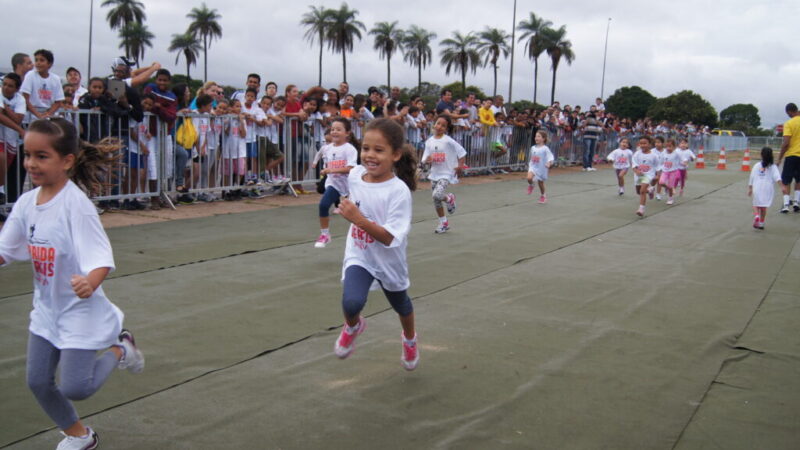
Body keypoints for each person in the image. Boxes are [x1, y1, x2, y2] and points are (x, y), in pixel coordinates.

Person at [0, 118, 144, 450]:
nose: (31, 164)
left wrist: (89, 283)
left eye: (41, 156)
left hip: (80, 311)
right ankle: (81, 436)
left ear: (67, 160)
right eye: (27, 155)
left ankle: (121, 347)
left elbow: (101, 258)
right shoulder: (26, 203)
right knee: (37, 382)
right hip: (47, 310)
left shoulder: (75, 206)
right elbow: (6, 251)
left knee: (76, 387)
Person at [333, 117, 419, 370]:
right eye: (366, 148)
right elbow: (358, 198)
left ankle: (410, 340)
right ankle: (353, 325)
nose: (370, 155)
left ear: (395, 155)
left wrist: (357, 218)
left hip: (388, 259)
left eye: (379, 150)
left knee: (401, 304)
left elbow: (389, 237)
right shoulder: (357, 175)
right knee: (351, 302)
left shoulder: (398, 192)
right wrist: (348, 206)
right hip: (360, 253)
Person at [312, 118, 359, 248]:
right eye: (333, 129)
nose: (334, 132)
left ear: (347, 133)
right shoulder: (327, 148)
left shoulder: (349, 149)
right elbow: (320, 154)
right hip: (334, 184)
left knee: (357, 213)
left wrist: (331, 169)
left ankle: (364, 233)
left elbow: (351, 168)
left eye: (338, 129)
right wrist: (318, 165)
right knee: (323, 205)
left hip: (350, 186)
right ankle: (325, 234)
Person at [422, 116, 466, 233]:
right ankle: (443, 223)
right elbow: (425, 158)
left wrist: (460, 166)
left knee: (437, 195)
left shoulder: (448, 140)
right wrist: (427, 160)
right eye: (438, 123)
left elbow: (462, 152)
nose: (439, 127)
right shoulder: (429, 142)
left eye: (443, 125)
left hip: (446, 173)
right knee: (436, 200)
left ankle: (449, 198)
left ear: (446, 128)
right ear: (434, 124)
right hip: (434, 173)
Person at [20, 49, 64, 121]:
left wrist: (48, 114)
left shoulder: (56, 79)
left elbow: (58, 102)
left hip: (48, 115)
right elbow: (25, 98)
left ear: (49, 64)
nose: (38, 63)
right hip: (31, 115)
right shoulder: (30, 75)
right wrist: (38, 114)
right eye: (36, 60)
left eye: (42, 60)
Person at [749, 147, 782, 230]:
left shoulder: (756, 165)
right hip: (767, 188)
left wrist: (750, 188)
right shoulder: (773, 166)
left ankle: (756, 216)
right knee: (763, 207)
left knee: (755, 204)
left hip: (757, 187)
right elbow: (777, 177)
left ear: (761, 155)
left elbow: (751, 177)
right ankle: (761, 223)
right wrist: (782, 186)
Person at [777, 103, 800, 213]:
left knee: (786, 180)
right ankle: (796, 202)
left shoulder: (789, 123)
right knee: (799, 180)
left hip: (791, 155)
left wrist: (779, 157)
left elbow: (786, 143)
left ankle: (786, 204)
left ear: (789, 111)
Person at [223, 99, 247, 200]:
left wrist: (241, 120)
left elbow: (243, 134)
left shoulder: (242, 119)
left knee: (241, 170)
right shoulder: (228, 118)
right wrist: (230, 119)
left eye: (240, 106)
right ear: (231, 107)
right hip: (229, 149)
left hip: (240, 149)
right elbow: (226, 132)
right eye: (237, 106)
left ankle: (236, 188)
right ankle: (228, 190)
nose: (239, 108)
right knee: (229, 172)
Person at [632, 136, 660, 217]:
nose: (643, 145)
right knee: (638, 191)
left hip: (648, 175)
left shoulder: (654, 155)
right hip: (639, 175)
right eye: (641, 143)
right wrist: (637, 171)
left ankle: (641, 209)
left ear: (650, 144)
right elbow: (634, 164)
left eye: (645, 143)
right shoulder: (637, 154)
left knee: (642, 191)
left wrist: (657, 175)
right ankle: (650, 190)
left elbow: (658, 166)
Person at [526, 130, 555, 203]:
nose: (536, 138)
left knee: (540, 183)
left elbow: (550, 156)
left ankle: (543, 196)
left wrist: (549, 163)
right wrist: (529, 163)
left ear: (543, 139)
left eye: (538, 136)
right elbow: (531, 157)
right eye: (536, 136)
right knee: (529, 178)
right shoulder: (533, 148)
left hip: (542, 168)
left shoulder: (545, 148)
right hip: (533, 166)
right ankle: (531, 185)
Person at [658, 139, 687, 205]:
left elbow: (683, 159)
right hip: (665, 171)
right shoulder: (664, 153)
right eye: (667, 146)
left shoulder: (676, 153)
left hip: (673, 172)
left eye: (670, 146)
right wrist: (659, 169)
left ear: (674, 147)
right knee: (661, 182)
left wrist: (684, 162)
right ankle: (668, 188)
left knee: (671, 186)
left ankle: (670, 198)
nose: (668, 148)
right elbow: (660, 161)